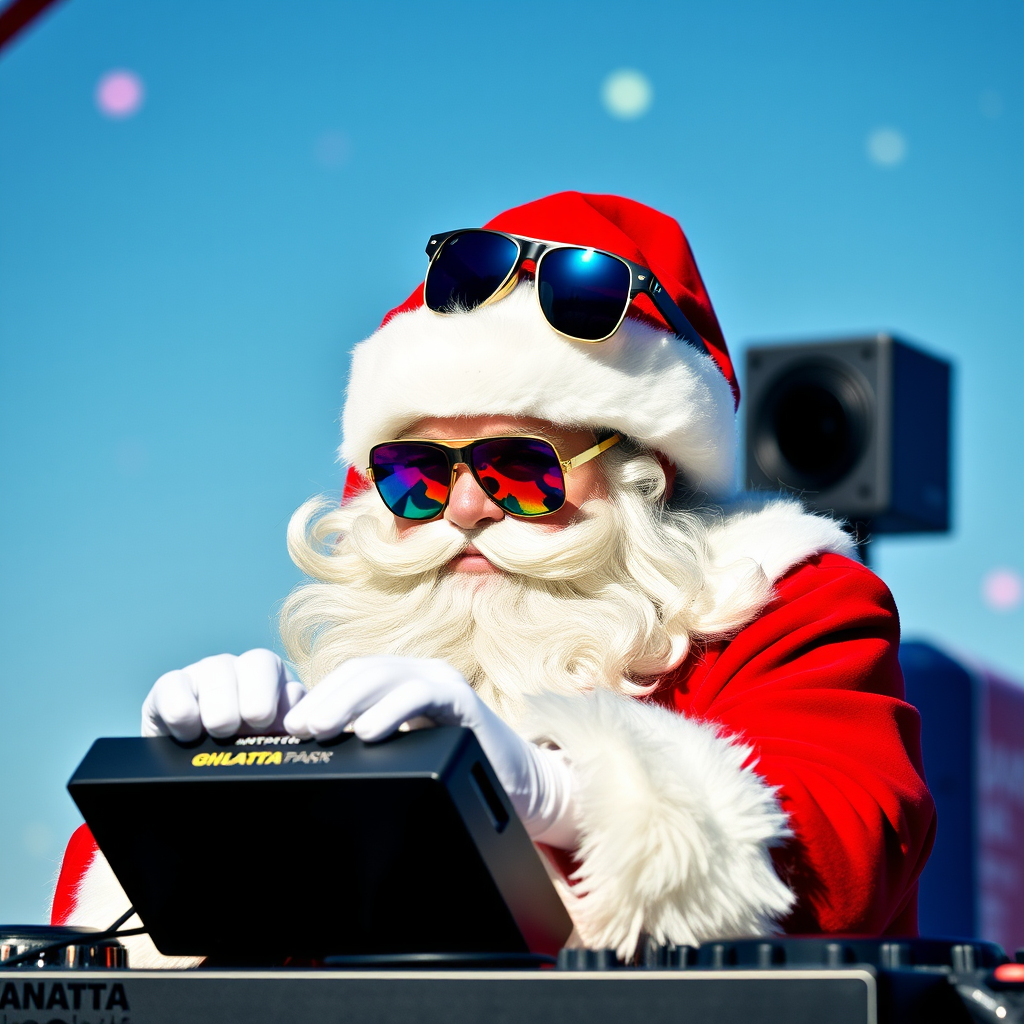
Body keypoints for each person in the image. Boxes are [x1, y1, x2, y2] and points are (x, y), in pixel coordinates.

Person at [50, 191, 936, 968]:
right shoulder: (387, 640)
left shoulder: (782, 604)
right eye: (415, 474)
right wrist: (211, 799)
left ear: (645, 475)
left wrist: (556, 796)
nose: (463, 508)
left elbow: (840, 848)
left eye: (520, 466)